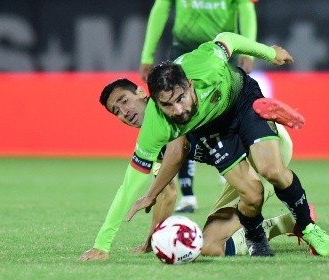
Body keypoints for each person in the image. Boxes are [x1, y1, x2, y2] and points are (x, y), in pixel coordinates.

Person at [126, 32, 329, 257]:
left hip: (244, 109)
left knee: (272, 170)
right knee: (221, 232)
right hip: (223, 142)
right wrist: (147, 214)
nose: (177, 110)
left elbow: (228, 39)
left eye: (125, 102)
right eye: (117, 112)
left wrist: (269, 53)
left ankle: (307, 227)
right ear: (158, 104)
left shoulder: (207, 67)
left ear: (190, 85)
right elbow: (168, 177)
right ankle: (261, 232)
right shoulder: (159, 131)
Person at [79, 78, 307, 260]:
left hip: (262, 148)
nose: (124, 111)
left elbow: (178, 147)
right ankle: (289, 223)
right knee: (209, 242)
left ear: (140, 92)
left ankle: (295, 224)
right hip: (239, 165)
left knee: (211, 245)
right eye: (116, 111)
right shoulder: (152, 141)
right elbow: (165, 194)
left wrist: (102, 244)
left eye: (124, 101)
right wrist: (152, 241)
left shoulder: (169, 106)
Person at [139, 0, 261, 214]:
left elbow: (246, 9)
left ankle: (231, 174)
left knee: (223, 115)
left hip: (219, 53)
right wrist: (147, 53)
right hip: (183, 51)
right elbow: (161, 7)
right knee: (180, 122)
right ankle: (188, 194)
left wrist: (248, 48)